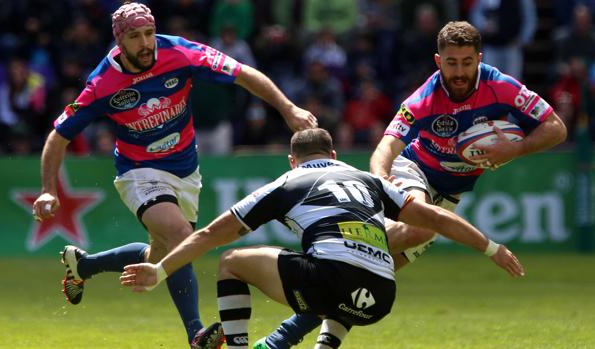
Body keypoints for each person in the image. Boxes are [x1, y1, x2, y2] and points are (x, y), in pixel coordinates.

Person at [254, 20, 567, 349]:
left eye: (466, 62)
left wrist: (515, 148)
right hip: (414, 171)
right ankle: (333, 243)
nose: (459, 71)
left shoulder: (502, 87)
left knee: (372, 272)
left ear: (479, 58)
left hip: (449, 194)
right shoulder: (427, 96)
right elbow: (387, 145)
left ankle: (284, 339)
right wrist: (380, 174)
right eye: (451, 63)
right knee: (415, 230)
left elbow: (556, 128)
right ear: (438, 61)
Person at [31, 2, 317, 346]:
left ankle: (85, 267)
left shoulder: (180, 52)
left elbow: (242, 72)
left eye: (149, 33)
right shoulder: (103, 83)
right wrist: (49, 189)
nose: (145, 42)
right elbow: (58, 136)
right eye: (135, 36)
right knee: (182, 237)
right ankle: (195, 333)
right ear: (119, 42)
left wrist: (288, 109)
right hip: (138, 171)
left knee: (162, 254)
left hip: (186, 170)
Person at [120, 128, 524, 349]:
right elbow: (435, 217)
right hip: (381, 297)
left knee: (231, 262)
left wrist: (160, 268)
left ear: (293, 161)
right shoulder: (368, 180)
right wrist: (491, 247)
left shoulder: (289, 180)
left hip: (331, 275)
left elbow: (209, 234)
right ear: (333, 155)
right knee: (348, 264)